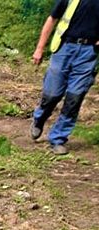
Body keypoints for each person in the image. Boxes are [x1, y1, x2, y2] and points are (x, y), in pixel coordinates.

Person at [30, 0, 98, 154]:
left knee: (74, 99)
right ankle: (39, 118)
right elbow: (52, 19)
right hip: (64, 49)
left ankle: (58, 138)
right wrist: (39, 48)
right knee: (52, 94)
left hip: (88, 54)